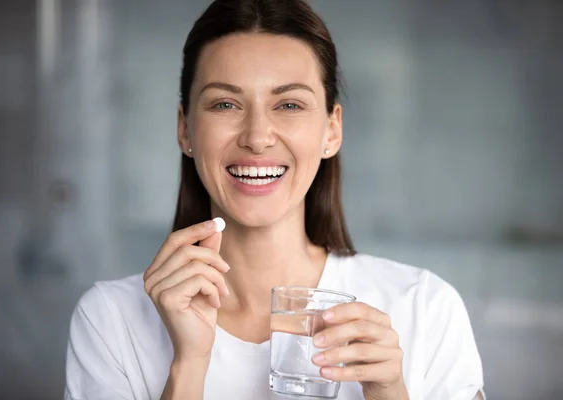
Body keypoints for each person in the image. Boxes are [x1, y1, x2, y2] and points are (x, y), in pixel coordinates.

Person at [64, 0, 484, 399]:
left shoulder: (424, 308)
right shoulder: (110, 320)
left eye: (289, 104)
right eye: (226, 104)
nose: (257, 137)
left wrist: (389, 395)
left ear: (331, 130)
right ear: (185, 130)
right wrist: (188, 365)